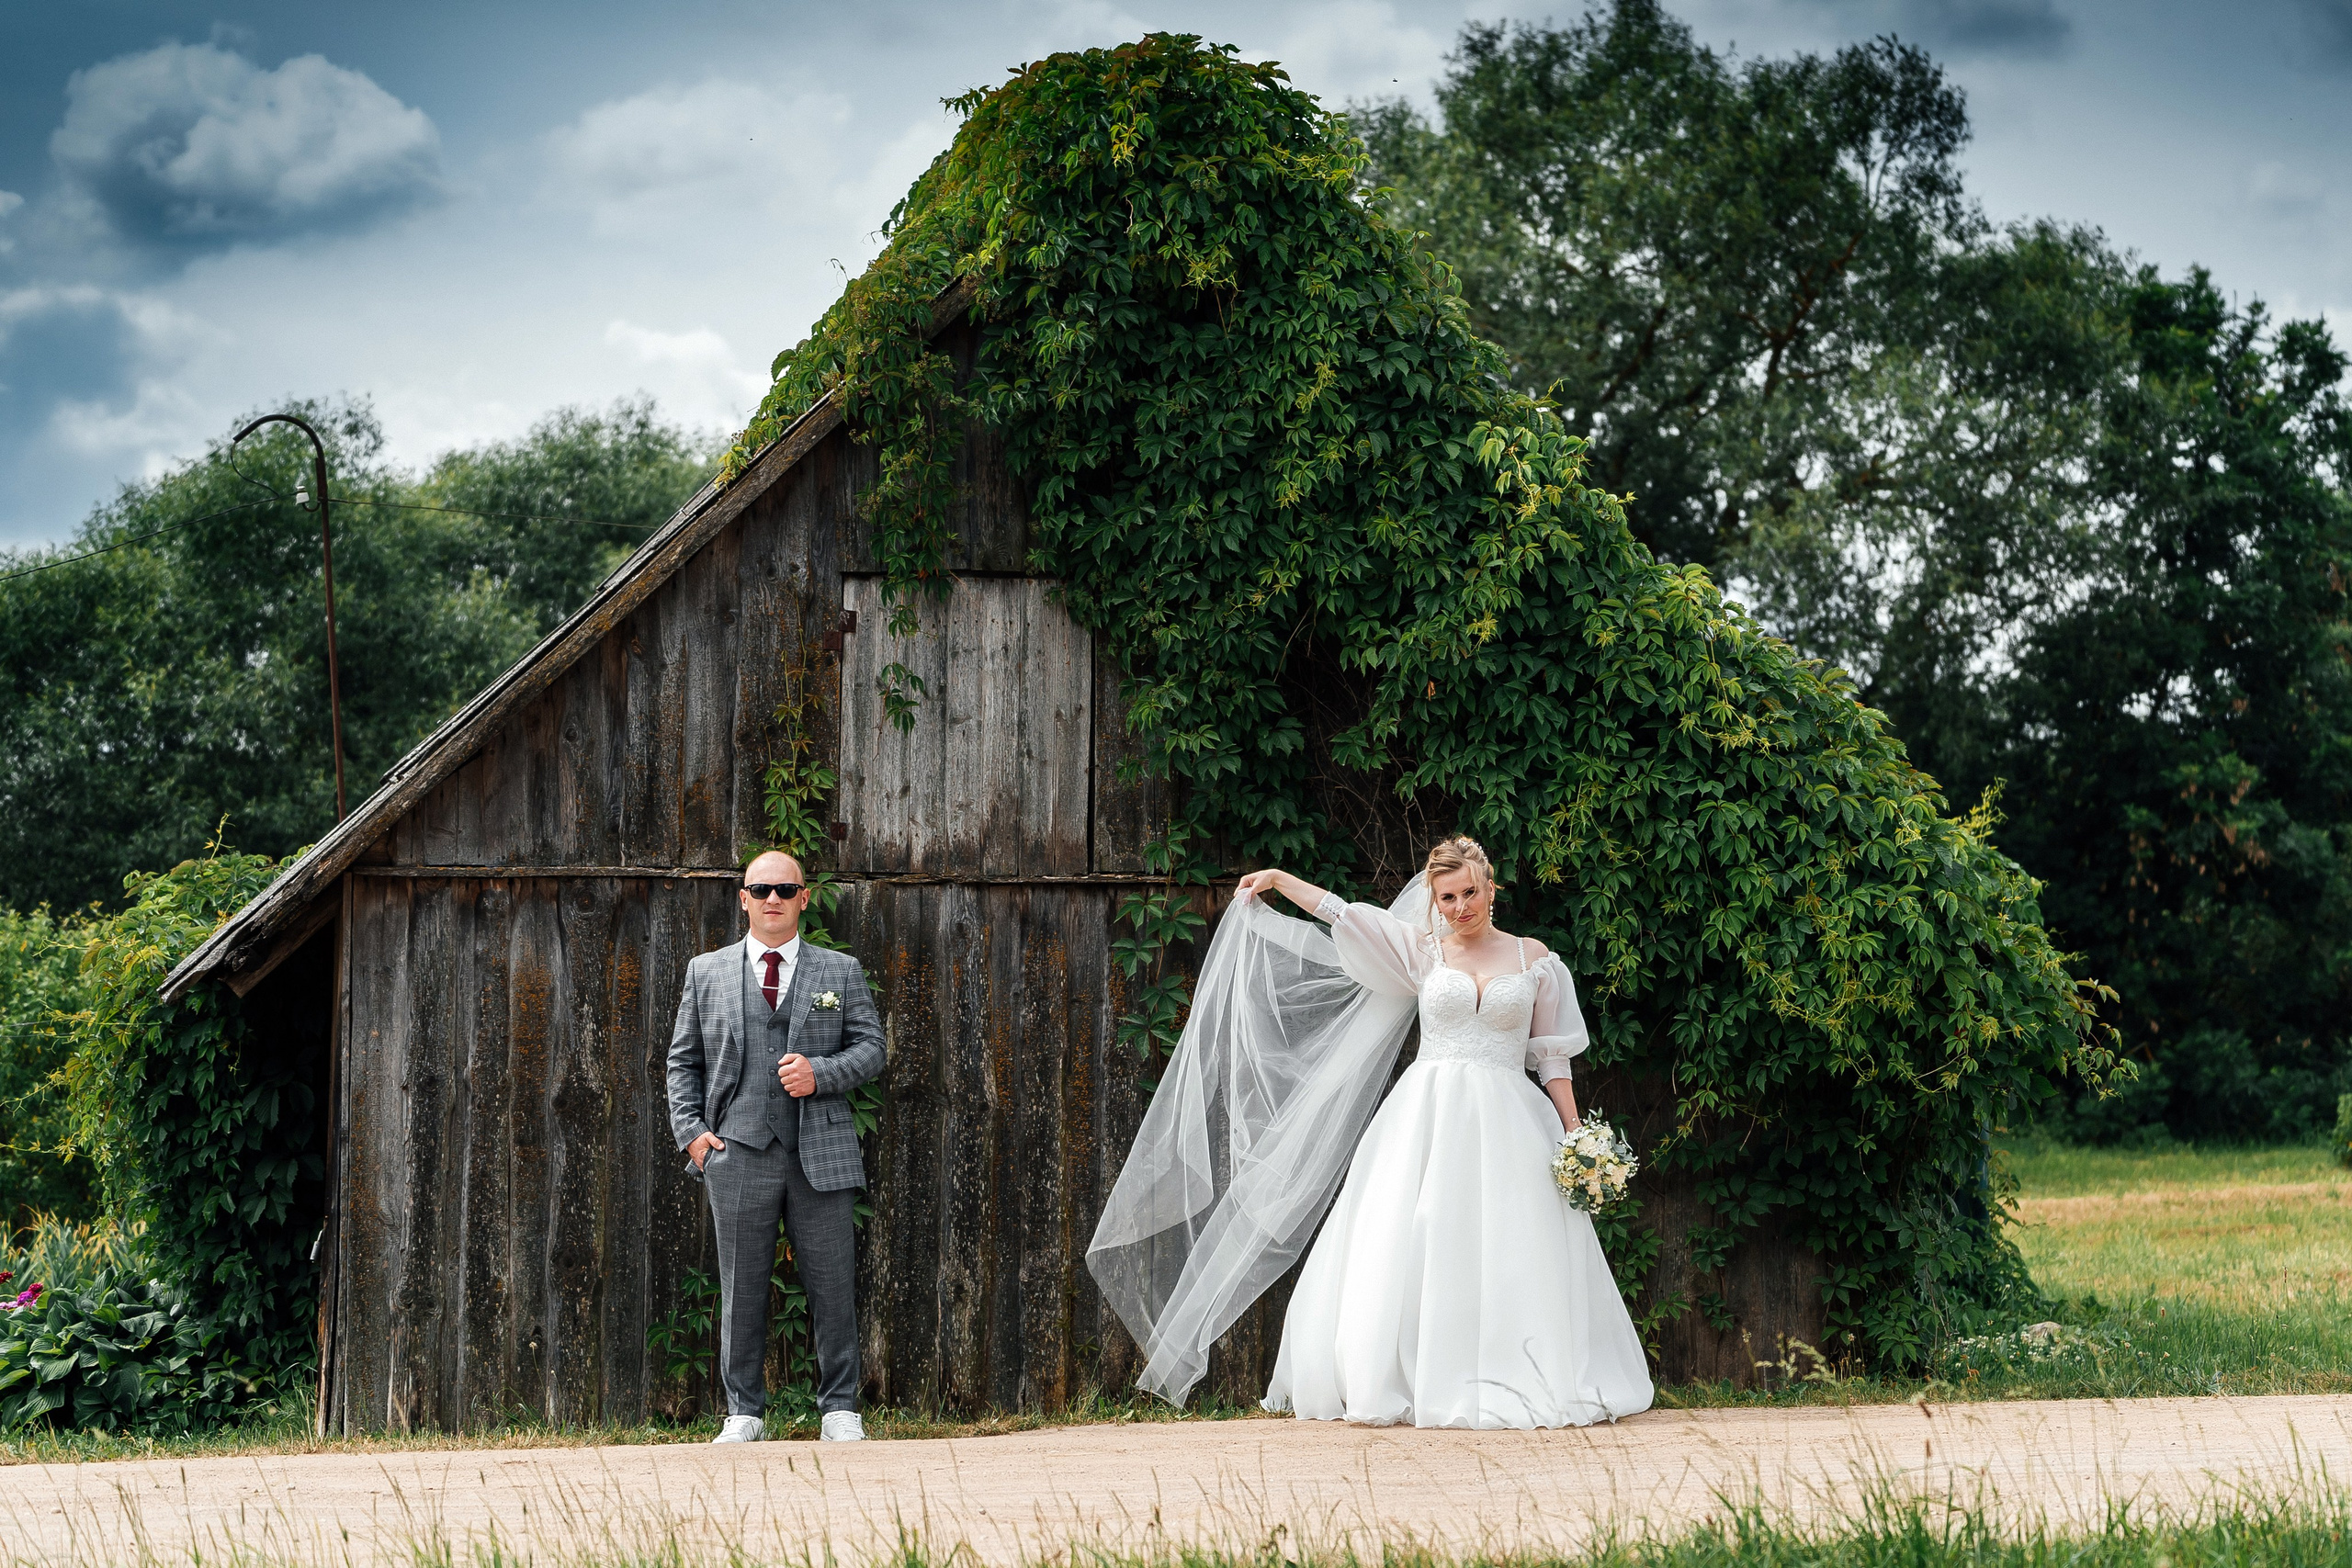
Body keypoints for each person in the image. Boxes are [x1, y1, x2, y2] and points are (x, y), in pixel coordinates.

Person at [1087, 835, 1653, 1428]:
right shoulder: (1423, 951)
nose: (1460, 907)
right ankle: (1403, 1375)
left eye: (1469, 892)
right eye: (1447, 897)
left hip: (1511, 1117)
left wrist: (1575, 1133)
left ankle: (1519, 1372)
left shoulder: (1534, 959)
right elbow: (1343, 915)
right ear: (1435, 900)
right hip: (1427, 1115)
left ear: (1491, 888)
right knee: (1412, 1235)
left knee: (1515, 1243)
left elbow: (1552, 1057)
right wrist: (1278, 878)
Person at [665, 850, 885, 1443]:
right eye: (760, 888)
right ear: (743, 898)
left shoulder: (839, 971)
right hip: (735, 1150)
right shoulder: (706, 972)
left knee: (833, 1285)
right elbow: (682, 1061)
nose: (772, 899)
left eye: (785, 889)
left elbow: (872, 1048)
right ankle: (744, 1413)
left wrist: (821, 1072)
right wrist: (693, 1136)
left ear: (803, 898)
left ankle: (839, 1410)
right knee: (740, 1287)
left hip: (821, 1152)